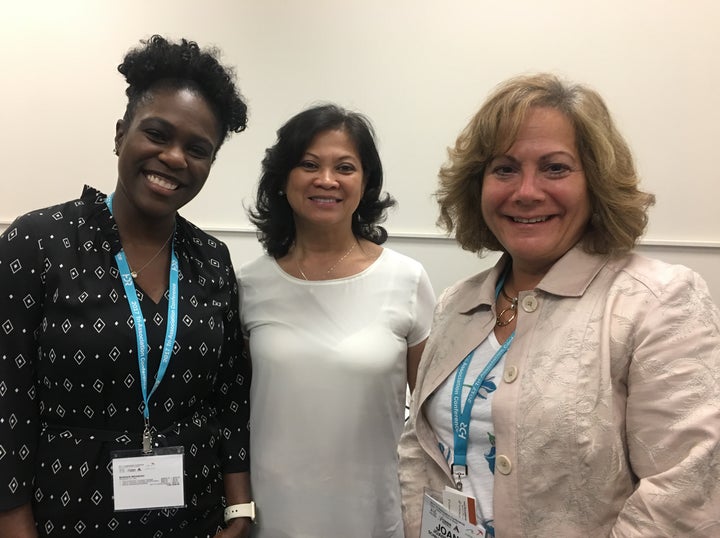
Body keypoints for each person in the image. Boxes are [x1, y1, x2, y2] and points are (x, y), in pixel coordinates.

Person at [399, 73, 720, 537]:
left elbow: (685, 494)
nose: (526, 191)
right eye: (504, 168)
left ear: (597, 182)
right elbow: (420, 446)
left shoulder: (657, 302)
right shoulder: (459, 302)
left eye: (555, 168)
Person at [0, 35, 254, 538]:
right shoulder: (38, 242)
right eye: (157, 134)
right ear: (121, 135)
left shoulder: (211, 260)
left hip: (194, 516)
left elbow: (228, 396)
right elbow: (8, 398)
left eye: (197, 149)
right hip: (68, 515)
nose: (175, 157)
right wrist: (13, 523)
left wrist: (239, 507)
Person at [239, 104, 436, 537]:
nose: (326, 180)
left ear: (365, 183)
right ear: (282, 179)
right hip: (274, 515)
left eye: (344, 167)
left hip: (372, 515)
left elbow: (431, 421)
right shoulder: (249, 284)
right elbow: (233, 413)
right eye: (309, 164)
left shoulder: (405, 279)